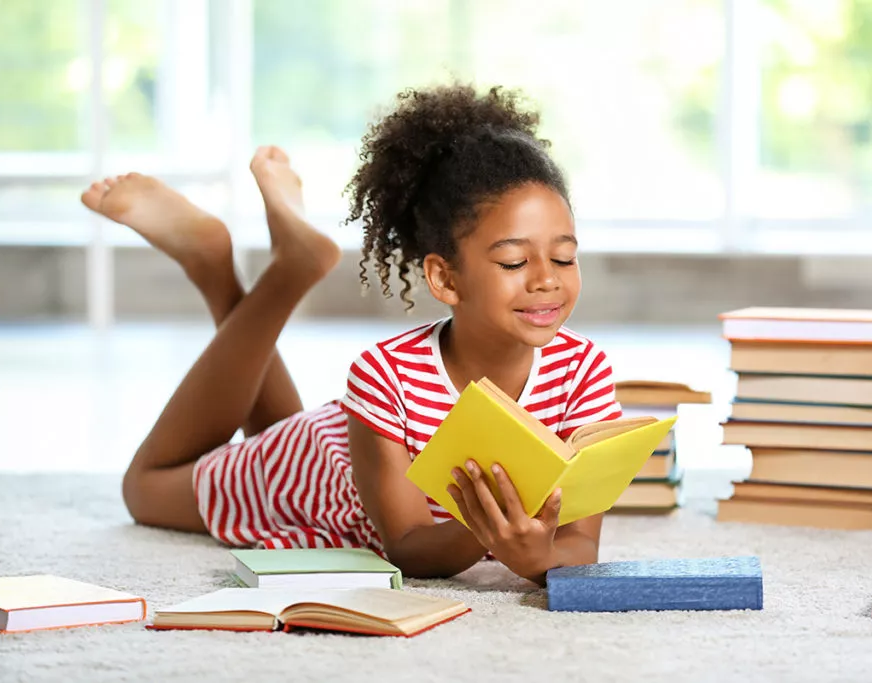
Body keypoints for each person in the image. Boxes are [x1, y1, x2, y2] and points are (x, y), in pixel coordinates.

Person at [80, 84, 622, 587]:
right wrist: (487, 532)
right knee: (145, 488)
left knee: (272, 424)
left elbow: (578, 547)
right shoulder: (387, 372)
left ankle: (222, 264)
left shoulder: (584, 372)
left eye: (564, 256)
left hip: (355, 463)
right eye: (513, 261)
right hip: (316, 468)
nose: (547, 279)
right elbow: (407, 547)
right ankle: (253, 270)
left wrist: (537, 561)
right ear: (444, 278)